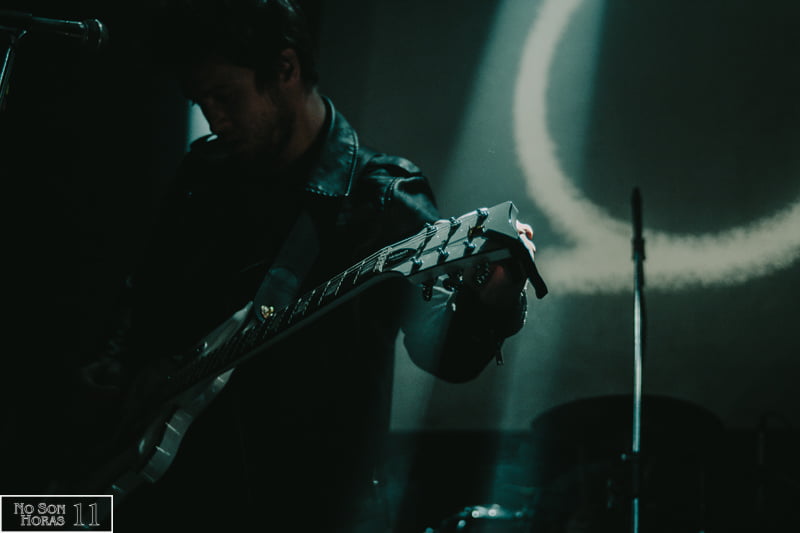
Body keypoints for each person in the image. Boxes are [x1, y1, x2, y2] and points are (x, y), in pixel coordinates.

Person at [67, 1, 543, 531]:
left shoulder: (382, 198)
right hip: (173, 497)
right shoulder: (204, 171)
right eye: (200, 101)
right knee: (26, 518)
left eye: (225, 96)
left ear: (285, 69)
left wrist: (492, 300)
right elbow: (145, 288)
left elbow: (447, 353)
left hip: (307, 508)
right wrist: (117, 362)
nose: (213, 118)